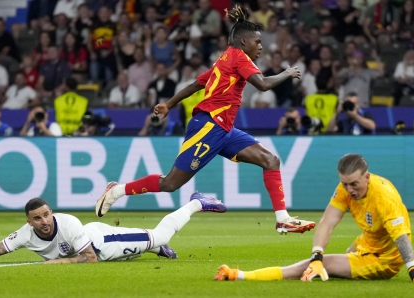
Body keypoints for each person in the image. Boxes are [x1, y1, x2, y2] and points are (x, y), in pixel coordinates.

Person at [95, 5, 315, 235]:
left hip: (224, 129)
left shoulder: (224, 58)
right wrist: (287, 73)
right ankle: (116, 191)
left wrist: (169, 104)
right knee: (171, 183)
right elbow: (263, 85)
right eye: (257, 42)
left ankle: (283, 219)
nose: (261, 47)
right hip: (209, 126)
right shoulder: (239, 57)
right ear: (243, 42)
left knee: (271, 161)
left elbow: (196, 84)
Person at [214, 154, 414, 284]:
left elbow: (402, 239)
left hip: (385, 259)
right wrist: (317, 254)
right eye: (345, 183)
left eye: (354, 184)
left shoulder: (384, 197)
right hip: (367, 243)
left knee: (316, 266)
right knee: (321, 262)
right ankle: (327, 263)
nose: (349, 189)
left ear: (367, 177)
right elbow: (327, 222)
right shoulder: (345, 189)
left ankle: (240, 275)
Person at [0, 194, 227, 265]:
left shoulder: (67, 223)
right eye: (37, 218)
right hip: (89, 240)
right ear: (29, 222)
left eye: (46, 214)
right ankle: (155, 248)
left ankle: (196, 202)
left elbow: (91, 258)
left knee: (160, 234)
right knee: (132, 256)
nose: (44, 221)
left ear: (51, 212)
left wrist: (62, 262)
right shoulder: (24, 235)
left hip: (103, 242)